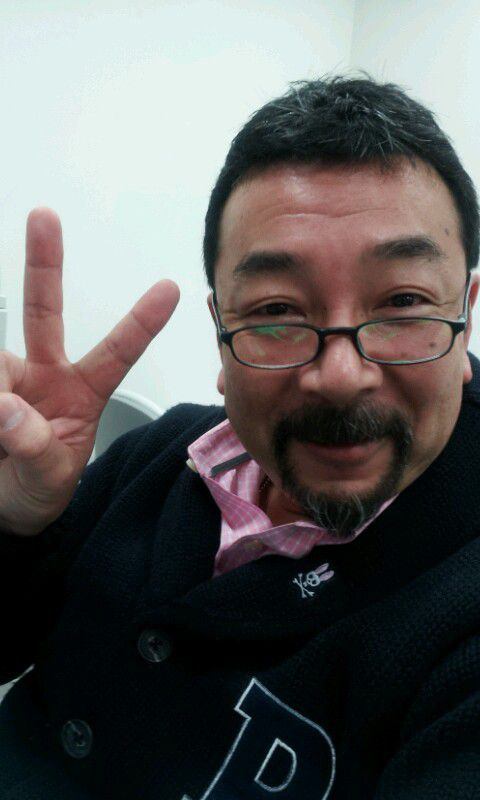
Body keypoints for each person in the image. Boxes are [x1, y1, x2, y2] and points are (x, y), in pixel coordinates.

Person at [0, 74, 479, 800]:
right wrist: (17, 527)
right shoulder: (157, 457)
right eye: (277, 310)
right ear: (222, 332)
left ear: (465, 319)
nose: (340, 377)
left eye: (403, 301)